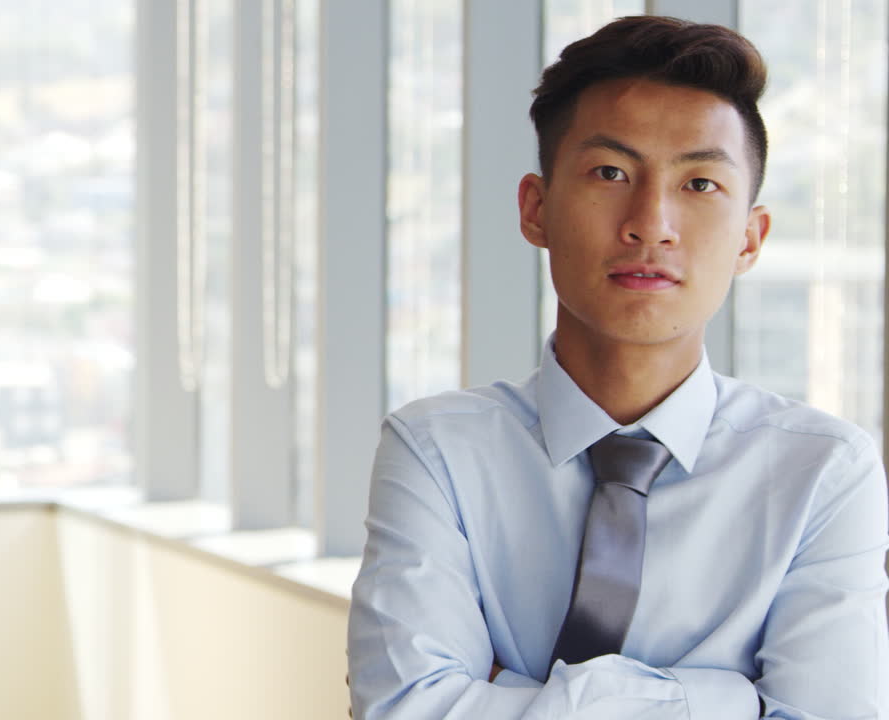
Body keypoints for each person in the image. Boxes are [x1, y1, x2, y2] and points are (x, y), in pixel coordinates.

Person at [347, 15, 889, 719]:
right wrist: (731, 699)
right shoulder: (436, 451)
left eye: (699, 185)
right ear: (536, 210)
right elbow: (404, 710)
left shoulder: (823, 472)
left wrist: (508, 693)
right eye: (610, 172)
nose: (651, 222)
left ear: (751, 239)